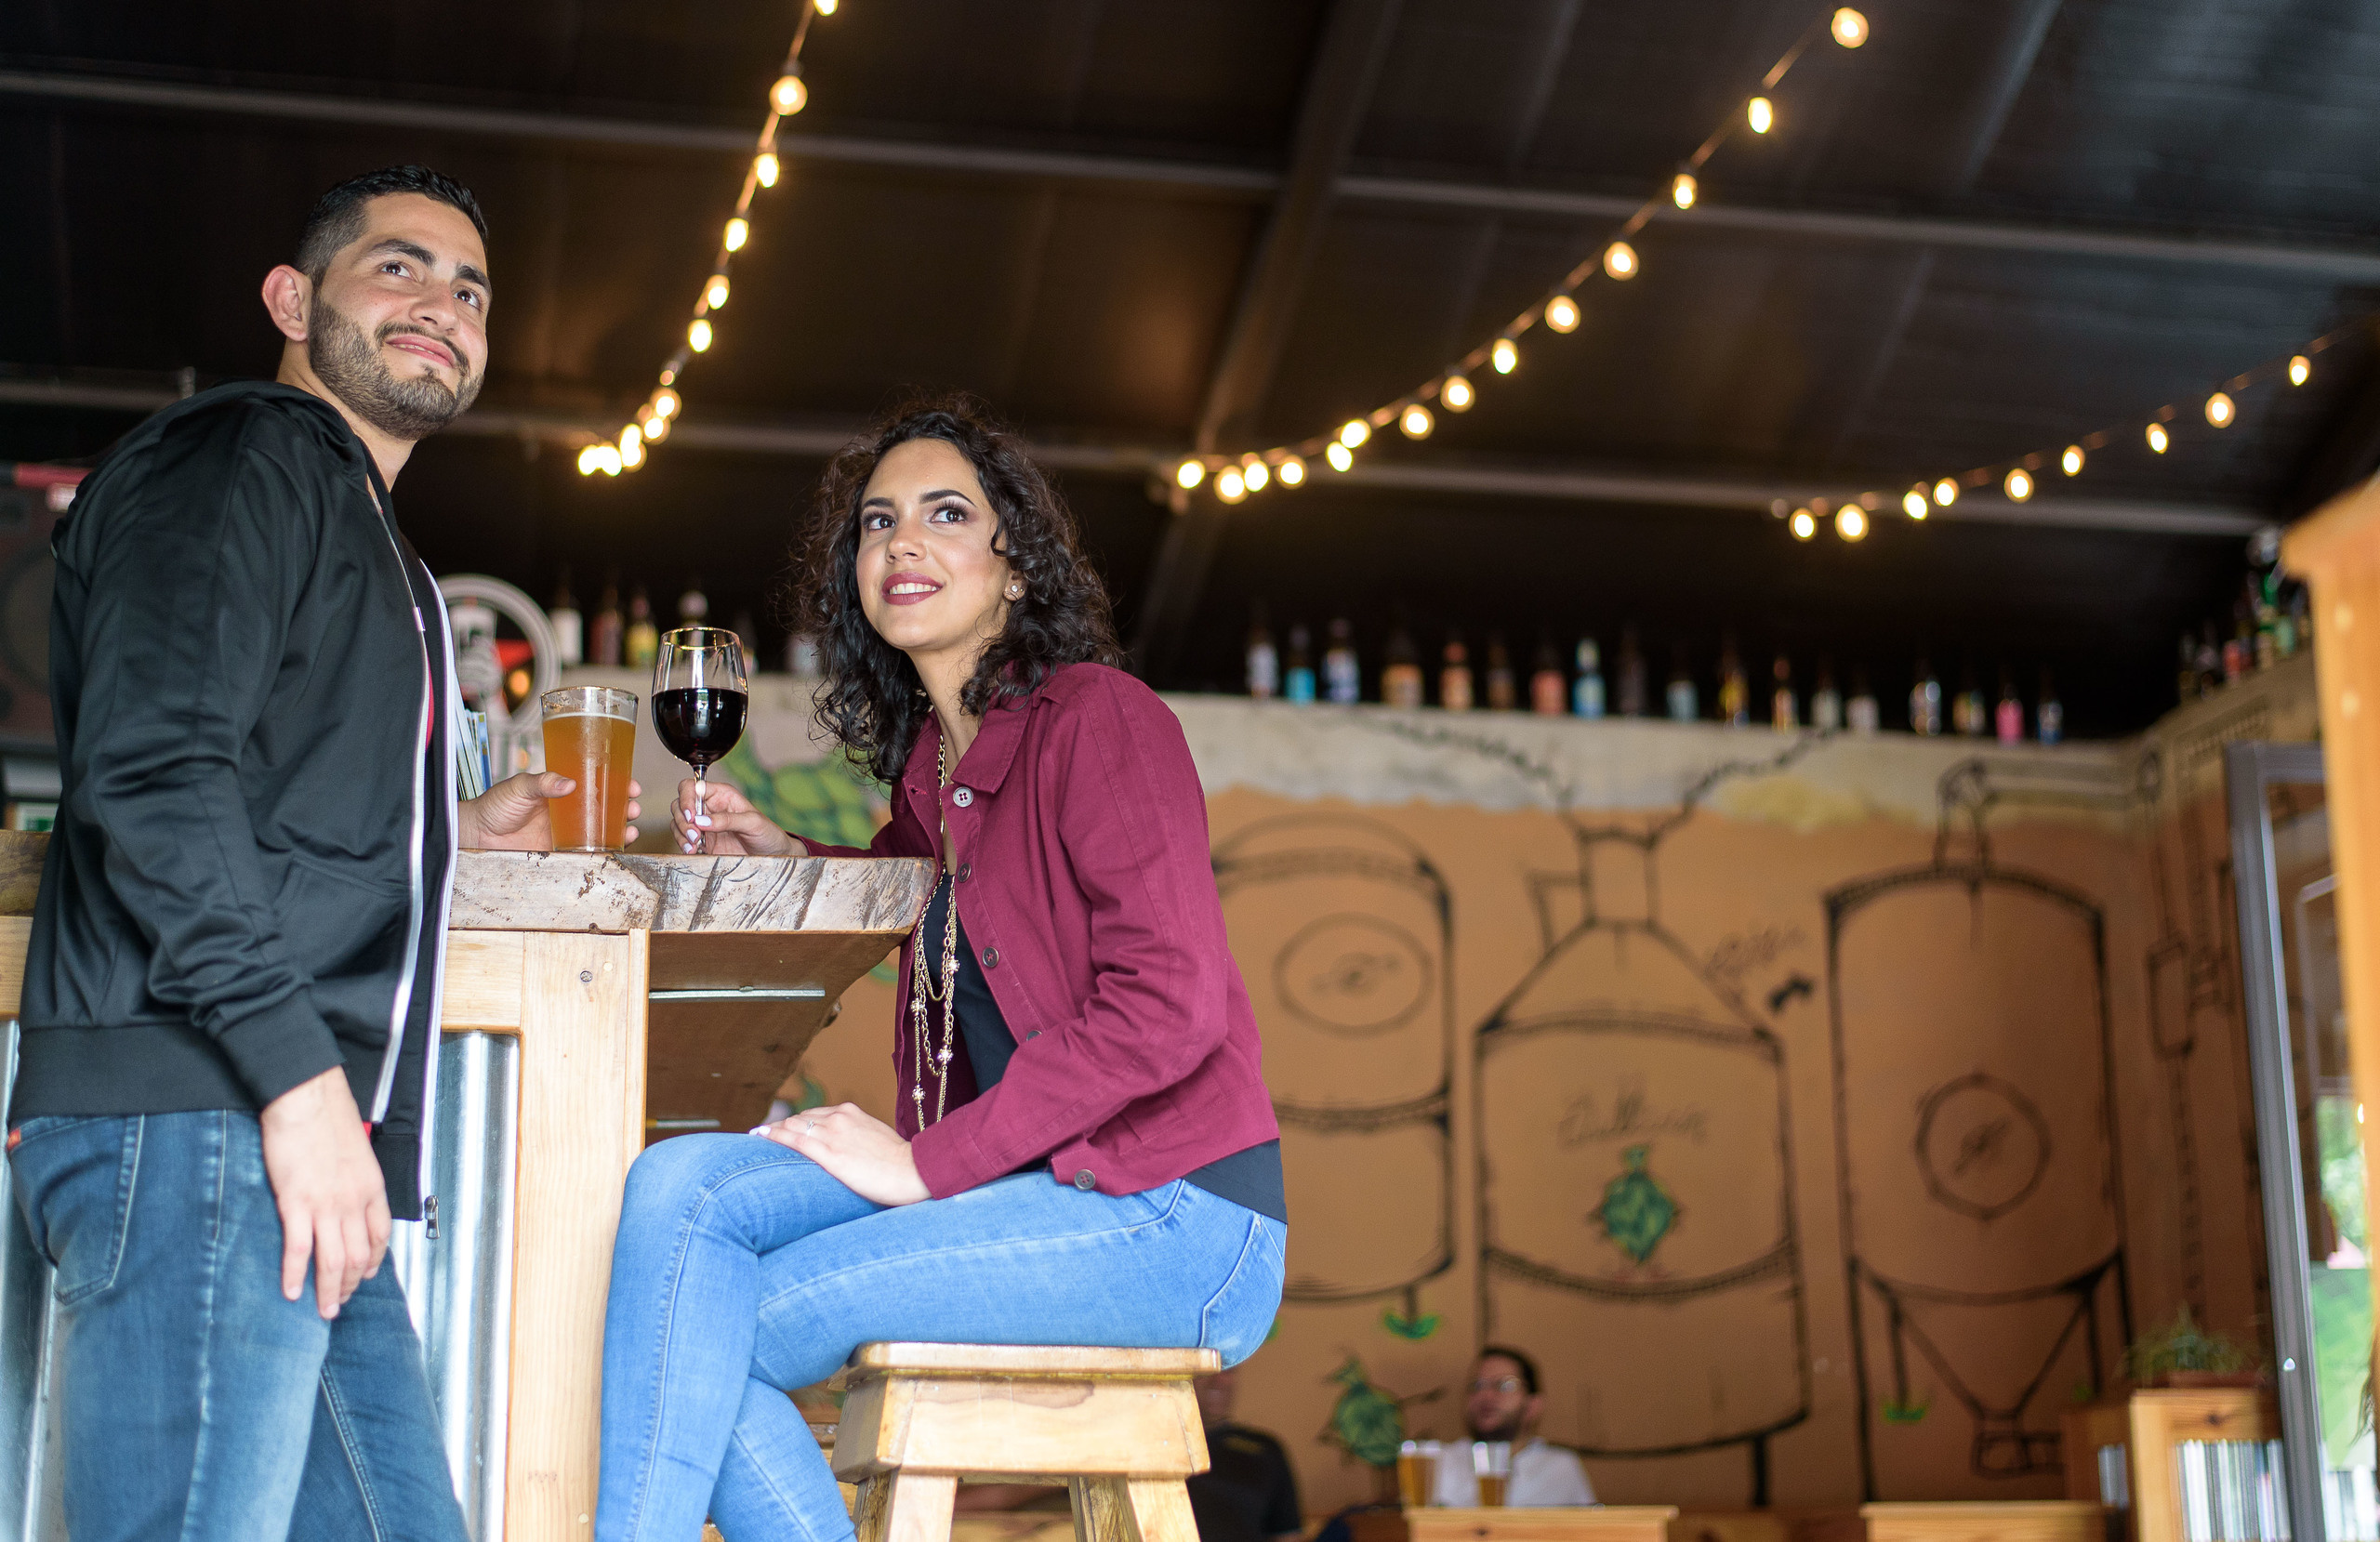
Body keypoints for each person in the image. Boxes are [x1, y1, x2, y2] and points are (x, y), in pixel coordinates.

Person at [5, 165, 638, 1542]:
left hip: (271, 1143)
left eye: (470, 289)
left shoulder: (356, 523)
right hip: (207, 1117)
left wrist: (448, 831)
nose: (444, 306)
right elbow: (155, 770)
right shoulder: (241, 455)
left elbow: (260, 786)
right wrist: (299, 1087)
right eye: (398, 268)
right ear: (294, 300)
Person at [597, 396, 1288, 1542]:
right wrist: (786, 856)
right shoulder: (935, 776)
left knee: (713, 1328)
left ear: (1015, 568)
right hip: (1039, 1188)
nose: (901, 543)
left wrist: (926, 1166)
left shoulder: (1098, 721)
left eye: (945, 514)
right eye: (876, 524)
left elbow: (1170, 1008)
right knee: (678, 1193)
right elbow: (924, 902)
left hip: (1178, 1216)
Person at [1431, 1347, 1596, 1508]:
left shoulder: (1560, 1468)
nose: (1486, 1395)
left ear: (1533, 1405)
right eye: (1477, 1385)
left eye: (1504, 1386)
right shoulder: (1441, 1462)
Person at [1187, 1367, 1304, 1542]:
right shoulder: (1150, 1447)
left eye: (1228, 1369)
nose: (1218, 1380)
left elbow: (1288, 1535)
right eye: (1205, 1371)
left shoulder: (1266, 1450)